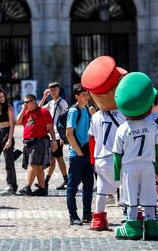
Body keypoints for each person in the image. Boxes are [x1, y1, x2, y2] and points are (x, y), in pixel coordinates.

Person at [113, 72, 158, 240]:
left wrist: (116, 174)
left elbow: (117, 154)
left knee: (130, 195)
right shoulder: (153, 126)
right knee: (149, 195)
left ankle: (132, 226)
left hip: (129, 166)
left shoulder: (122, 128)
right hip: (148, 165)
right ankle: (151, 225)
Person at [82, 56, 127, 231]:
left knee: (101, 189)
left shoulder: (95, 116)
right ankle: (131, 216)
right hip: (117, 156)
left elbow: (91, 138)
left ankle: (99, 219)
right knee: (126, 186)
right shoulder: (123, 114)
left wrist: (93, 161)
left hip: (100, 158)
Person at [16, 94, 57, 196]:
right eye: (24, 102)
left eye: (27, 102)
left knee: (32, 164)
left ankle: (27, 187)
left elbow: (50, 126)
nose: (25, 104)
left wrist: (54, 141)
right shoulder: (26, 112)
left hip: (39, 141)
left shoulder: (43, 111)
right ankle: (42, 189)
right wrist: (23, 109)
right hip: (28, 142)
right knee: (38, 166)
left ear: (33, 101)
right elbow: (18, 121)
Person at [65, 84, 93, 225]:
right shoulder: (73, 111)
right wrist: (79, 152)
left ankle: (87, 214)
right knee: (72, 187)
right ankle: (73, 216)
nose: (86, 97)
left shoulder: (87, 109)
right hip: (77, 154)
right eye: (83, 95)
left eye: (87, 94)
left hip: (87, 152)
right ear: (76, 96)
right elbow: (69, 134)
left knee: (89, 185)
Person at [38, 82, 69, 190]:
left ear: (58, 90)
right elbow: (38, 109)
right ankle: (64, 180)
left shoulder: (63, 103)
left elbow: (66, 120)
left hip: (58, 135)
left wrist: (63, 137)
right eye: (50, 90)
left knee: (57, 158)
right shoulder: (50, 103)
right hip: (52, 135)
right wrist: (44, 97)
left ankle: (50, 181)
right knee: (55, 158)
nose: (52, 92)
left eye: (54, 90)